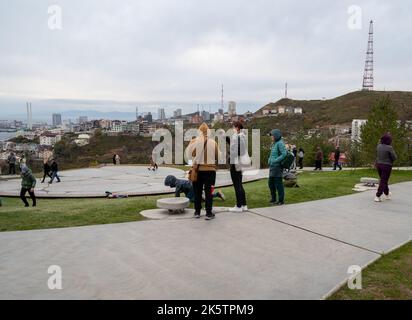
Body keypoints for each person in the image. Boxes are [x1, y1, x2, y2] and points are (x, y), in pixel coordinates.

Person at [187, 123, 220, 220]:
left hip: (197, 171)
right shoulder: (213, 142)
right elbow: (217, 156)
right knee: (209, 192)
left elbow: (189, 154)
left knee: (197, 192)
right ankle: (209, 213)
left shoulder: (194, 142)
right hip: (210, 171)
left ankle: (197, 212)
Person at [229, 122, 248, 212]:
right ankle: (244, 205)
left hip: (236, 163)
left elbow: (238, 151)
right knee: (240, 184)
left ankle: (239, 206)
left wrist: (231, 154)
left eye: (233, 127)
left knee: (237, 185)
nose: (232, 129)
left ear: (237, 128)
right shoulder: (242, 137)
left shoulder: (238, 137)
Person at [374, 133, 397, 202]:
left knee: (383, 180)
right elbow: (394, 157)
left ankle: (387, 194)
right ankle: (378, 196)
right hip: (387, 166)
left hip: (379, 165)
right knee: (383, 181)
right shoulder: (389, 147)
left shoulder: (378, 146)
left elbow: (378, 156)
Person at [268, 129, 287, 205]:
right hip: (272, 166)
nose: (271, 137)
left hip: (277, 167)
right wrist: (269, 160)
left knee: (278, 184)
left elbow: (284, 154)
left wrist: (275, 160)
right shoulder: (274, 144)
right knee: (271, 183)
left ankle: (281, 200)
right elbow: (271, 154)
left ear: (276, 136)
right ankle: (273, 198)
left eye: (272, 135)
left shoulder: (280, 143)